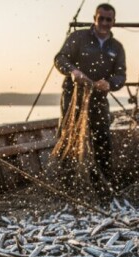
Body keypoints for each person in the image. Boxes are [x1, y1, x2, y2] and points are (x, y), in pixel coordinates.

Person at [54, 3, 126, 195]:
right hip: (73, 96)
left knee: (102, 139)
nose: (104, 23)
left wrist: (110, 84)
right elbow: (60, 59)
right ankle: (66, 188)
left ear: (113, 22)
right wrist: (73, 71)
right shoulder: (78, 37)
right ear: (94, 19)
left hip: (99, 99)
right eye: (101, 18)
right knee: (69, 137)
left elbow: (120, 76)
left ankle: (103, 188)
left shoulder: (117, 47)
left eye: (108, 19)